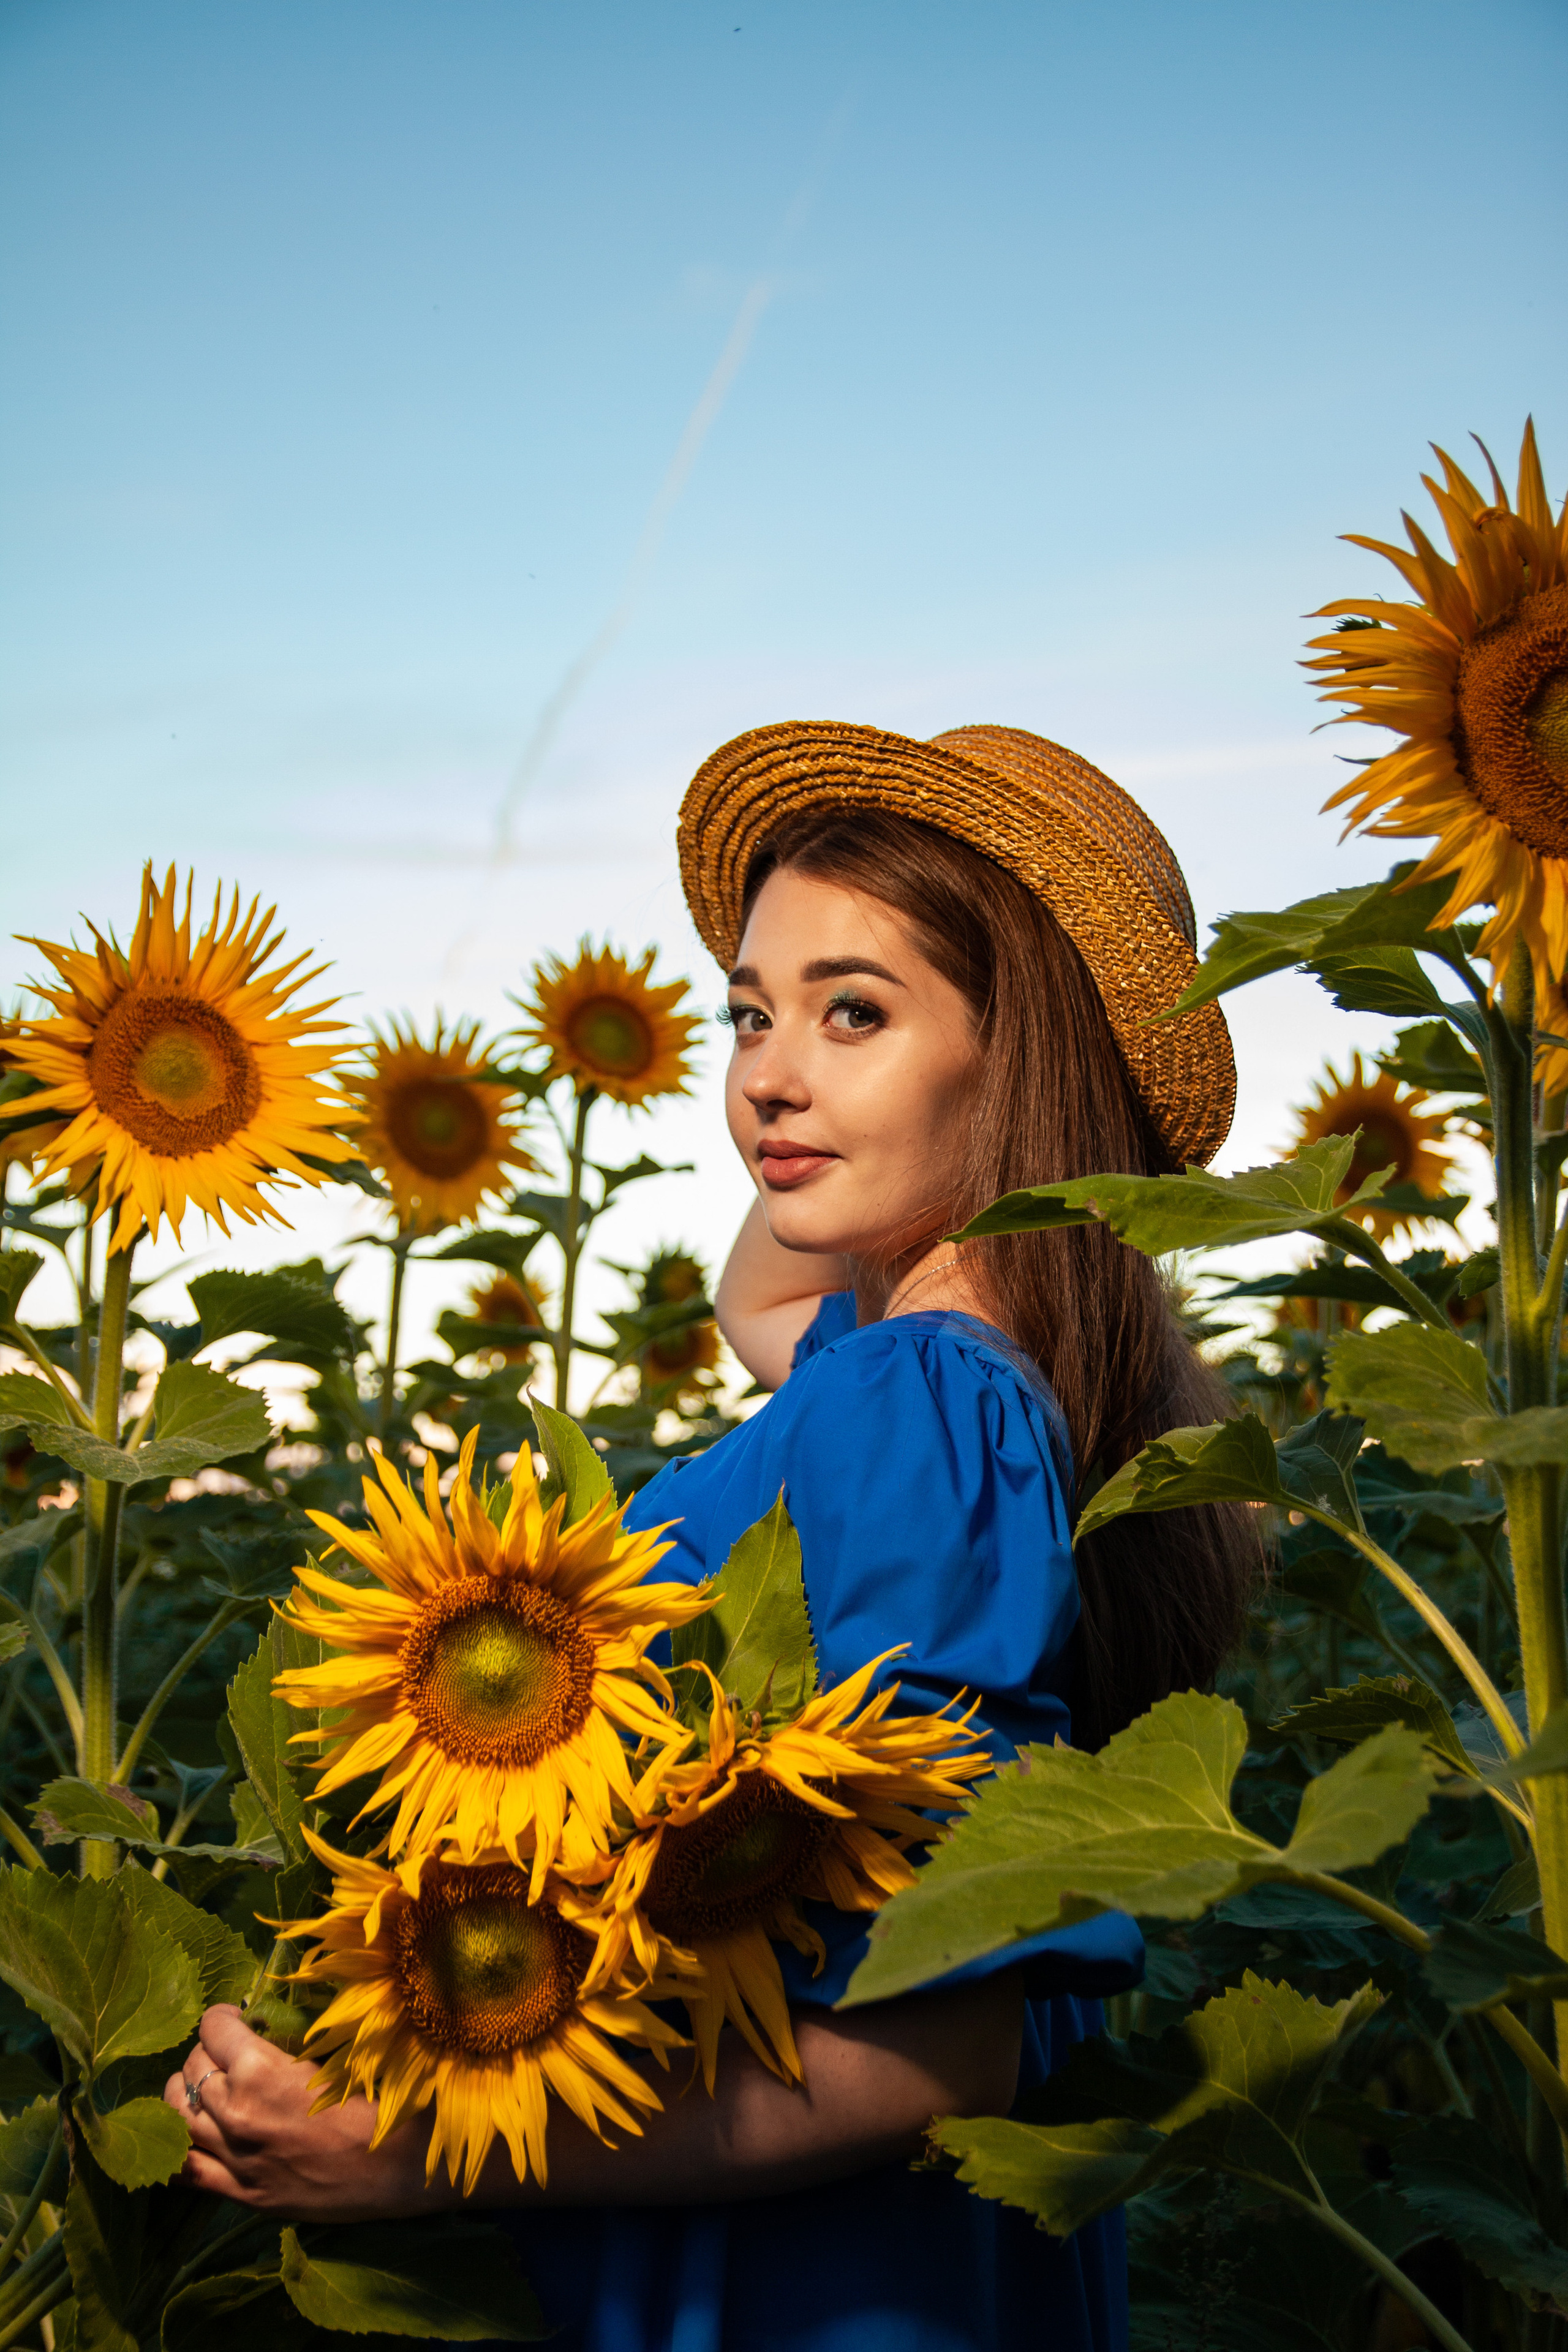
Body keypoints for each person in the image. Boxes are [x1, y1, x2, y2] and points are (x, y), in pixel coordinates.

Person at [167, 722, 1258, 2352]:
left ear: (1018, 1059)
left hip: (811, 2291)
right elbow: (770, 1284)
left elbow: (929, 2052)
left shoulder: (916, 1408)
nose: (763, 1073)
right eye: (751, 1009)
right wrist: (882, 1094)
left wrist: (415, 2154)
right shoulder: (936, 1379)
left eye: (856, 1011)